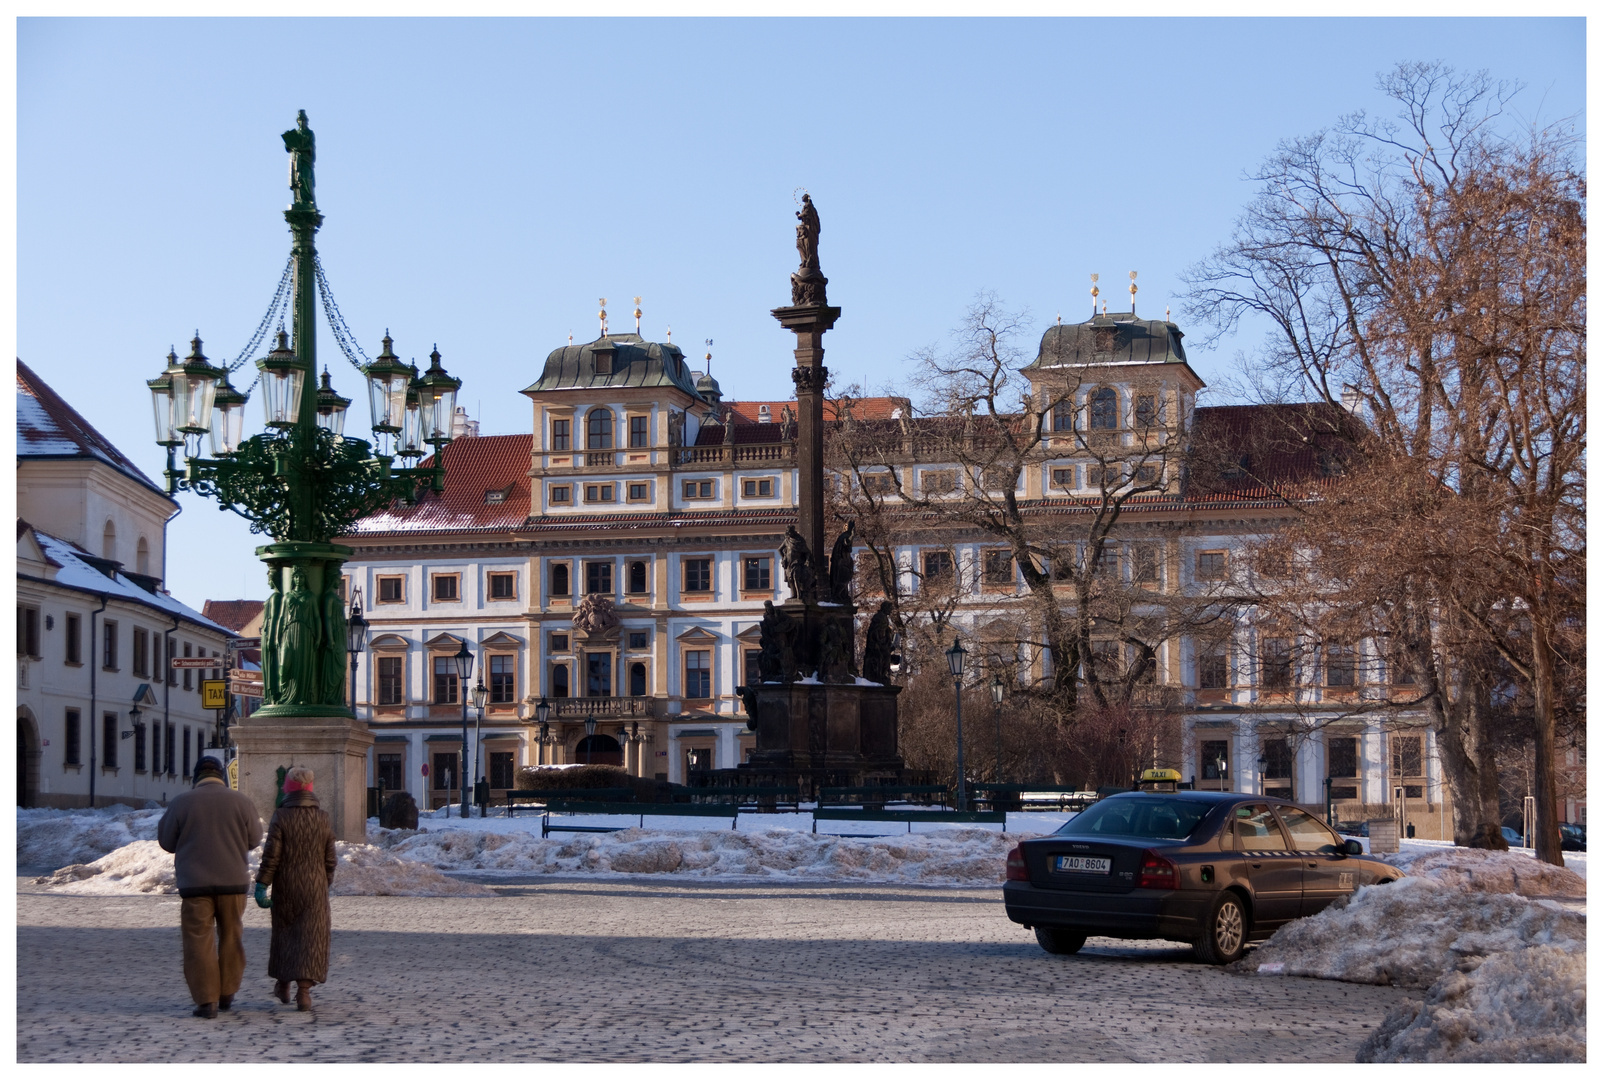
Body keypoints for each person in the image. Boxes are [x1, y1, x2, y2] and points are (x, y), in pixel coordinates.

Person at [156, 753, 262, 1019]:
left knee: (198, 941)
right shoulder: (242, 801)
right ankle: (227, 993)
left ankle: (207, 1001)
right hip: (233, 882)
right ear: (221, 776)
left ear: (196, 777)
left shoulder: (182, 802)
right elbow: (254, 840)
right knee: (232, 936)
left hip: (195, 884)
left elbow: (167, 842)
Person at [255, 765, 336, 1011]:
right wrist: (323, 882)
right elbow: (330, 860)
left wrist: (262, 885)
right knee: (311, 938)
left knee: (285, 935)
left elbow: (271, 857)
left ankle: (283, 984)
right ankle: (304, 993)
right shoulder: (323, 818)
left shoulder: (281, 816)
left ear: (289, 788)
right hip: (314, 887)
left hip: (286, 886)